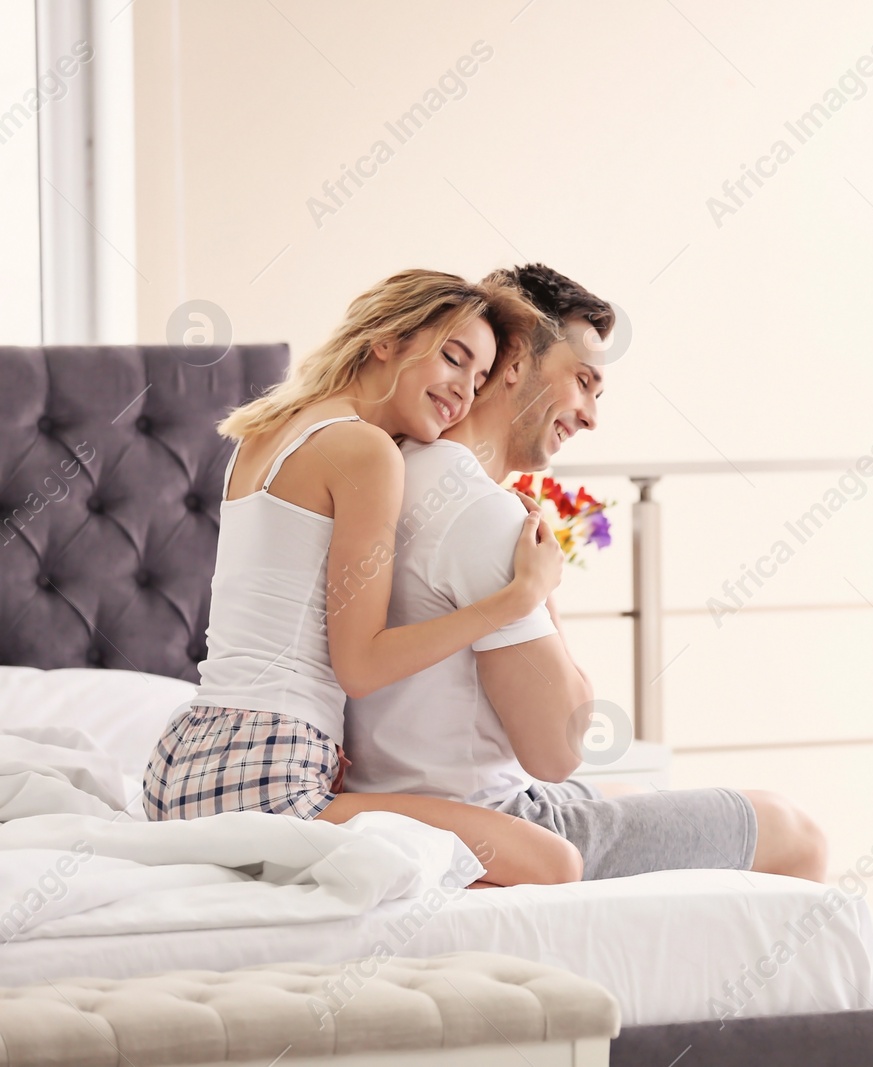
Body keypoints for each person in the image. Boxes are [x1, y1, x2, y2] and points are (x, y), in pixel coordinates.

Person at [344, 263, 827, 881]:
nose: (592, 415)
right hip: (490, 820)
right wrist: (544, 593)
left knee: (631, 788)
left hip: (413, 798)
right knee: (795, 833)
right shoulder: (481, 513)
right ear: (514, 358)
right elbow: (558, 750)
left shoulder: (399, 467)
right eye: (583, 381)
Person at [143, 269, 585, 886]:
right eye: (454, 360)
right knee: (553, 863)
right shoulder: (367, 452)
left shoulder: (266, 431)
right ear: (386, 340)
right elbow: (362, 665)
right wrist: (520, 597)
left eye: (480, 378)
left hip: (180, 762)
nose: (464, 391)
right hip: (267, 774)